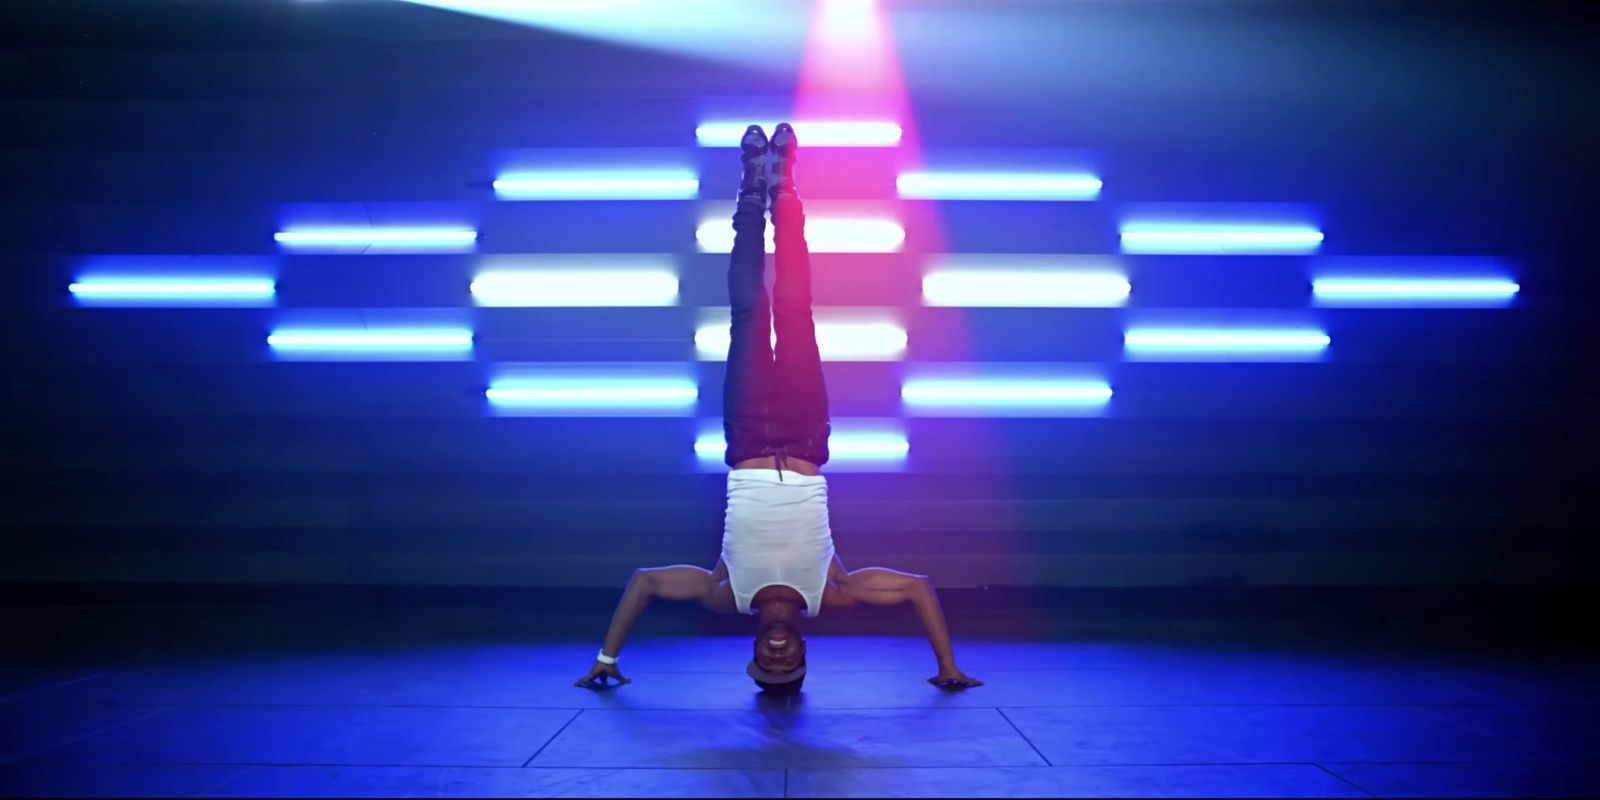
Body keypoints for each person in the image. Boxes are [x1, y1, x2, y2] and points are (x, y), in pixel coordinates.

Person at [575, 124, 981, 694]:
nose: (777, 657)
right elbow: (918, 588)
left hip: (746, 438)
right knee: (794, 310)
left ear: (757, 654)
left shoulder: (726, 593)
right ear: (802, 655)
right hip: (806, 435)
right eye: (787, 666)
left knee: (747, 309)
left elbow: (644, 582)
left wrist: (607, 656)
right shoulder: (831, 592)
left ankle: (749, 192)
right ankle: (784, 186)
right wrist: (946, 666)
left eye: (767, 666)